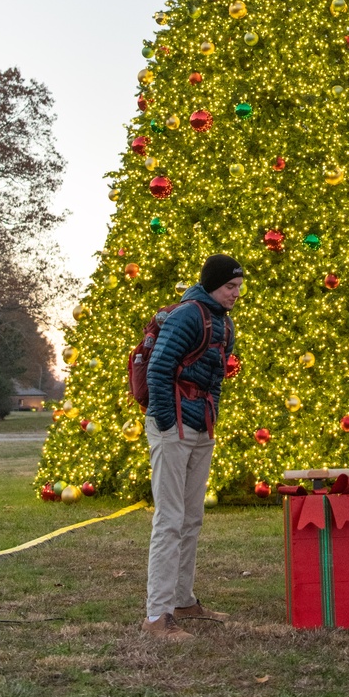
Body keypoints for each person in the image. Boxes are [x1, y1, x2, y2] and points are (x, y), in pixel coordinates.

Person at [141, 253, 243, 643]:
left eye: (238, 287)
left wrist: (209, 420)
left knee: (191, 517)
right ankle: (157, 614)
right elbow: (160, 369)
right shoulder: (188, 316)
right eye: (229, 286)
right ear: (212, 284)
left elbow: (216, 376)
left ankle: (182, 600)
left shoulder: (224, 322)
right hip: (174, 426)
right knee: (169, 519)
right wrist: (168, 422)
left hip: (201, 425)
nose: (235, 294)